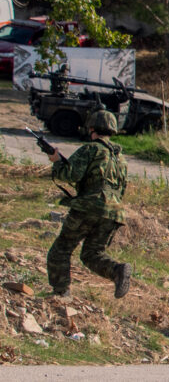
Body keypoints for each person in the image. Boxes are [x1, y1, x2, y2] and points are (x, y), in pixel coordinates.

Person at [46, 109, 132, 299]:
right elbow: (121, 189)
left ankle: (61, 294)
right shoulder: (121, 159)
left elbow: (71, 175)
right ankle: (118, 270)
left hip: (88, 207)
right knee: (92, 254)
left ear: (91, 128)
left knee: (61, 249)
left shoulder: (90, 149)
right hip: (114, 213)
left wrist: (56, 162)